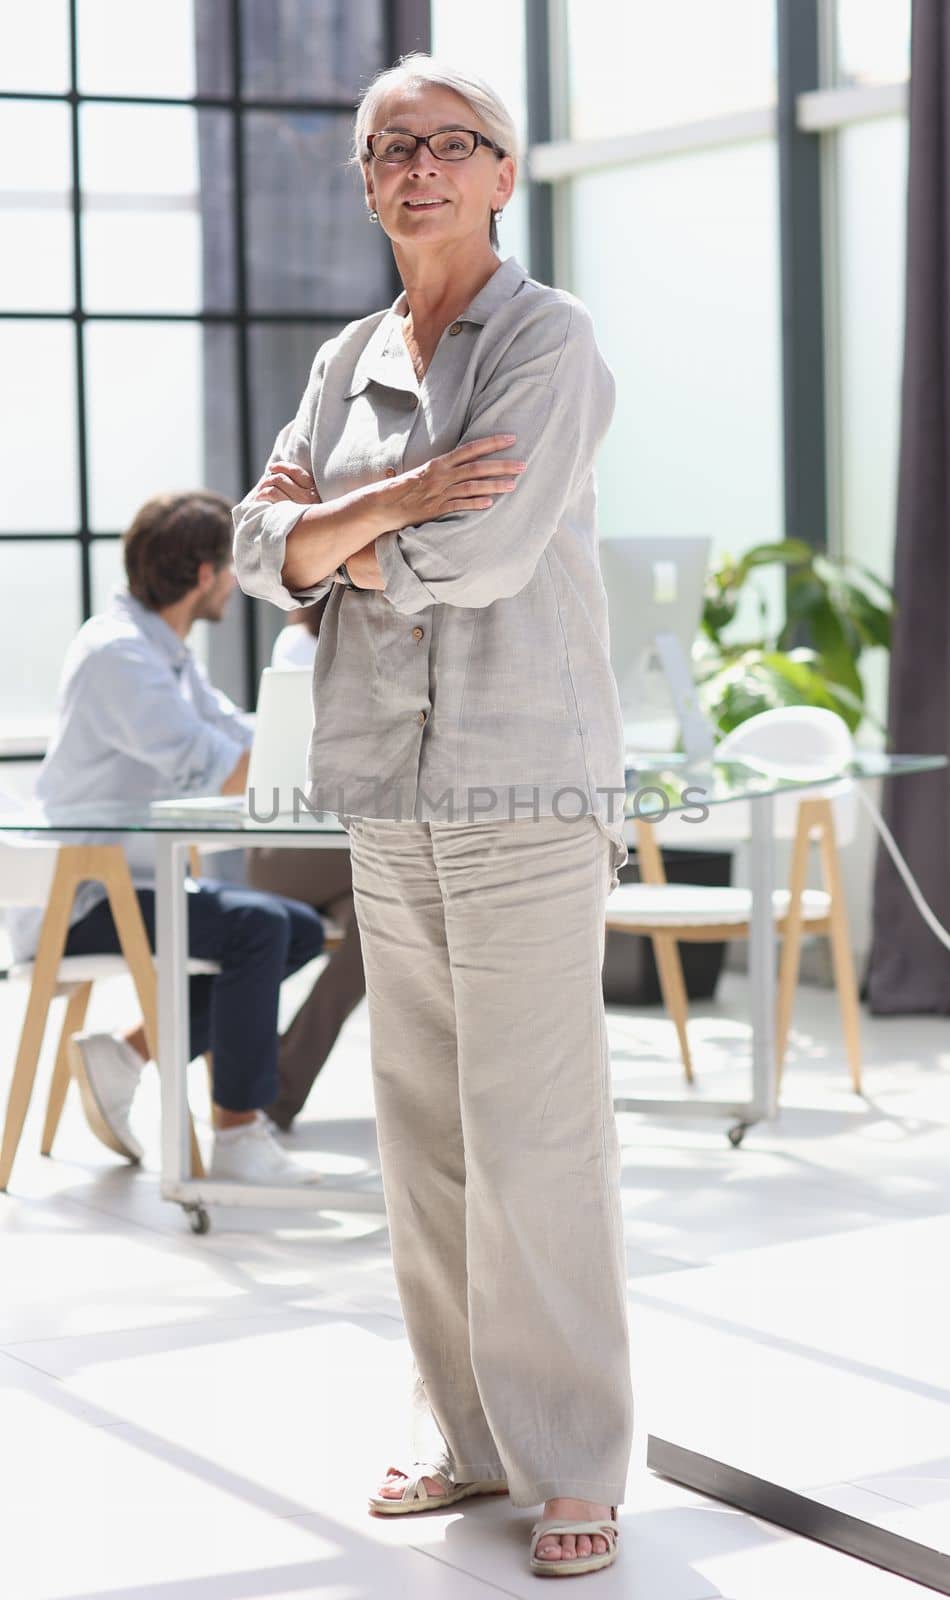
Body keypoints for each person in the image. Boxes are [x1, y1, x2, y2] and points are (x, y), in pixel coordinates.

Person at [232, 53, 632, 1577]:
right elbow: (258, 542)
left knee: (537, 1136)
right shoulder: (346, 357)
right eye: (389, 148)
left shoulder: (552, 340)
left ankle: (575, 1456)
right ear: (366, 182)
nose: (417, 168)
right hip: (385, 783)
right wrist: (390, 506)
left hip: (523, 780)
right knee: (422, 1135)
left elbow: (482, 555)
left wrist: (335, 535)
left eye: (449, 145)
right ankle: (470, 1440)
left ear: (499, 174)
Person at [8, 491, 326, 1185]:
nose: (242, 585)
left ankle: (125, 1055)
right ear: (208, 576)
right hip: (85, 899)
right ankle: (238, 1134)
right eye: (236, 569)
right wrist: (311, 750)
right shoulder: (119, 657)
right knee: (258, 931)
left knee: (295, 929)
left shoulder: (166, 655)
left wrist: (307, 737)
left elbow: (235, 735)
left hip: (137, 883)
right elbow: (214, 768)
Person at [245, 591, 367, 1131]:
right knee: (416, 880)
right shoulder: (301, 644)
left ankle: (280, 1086)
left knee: (378, 931)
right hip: (290, 847)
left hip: (343, 850)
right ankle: (276, 1084)